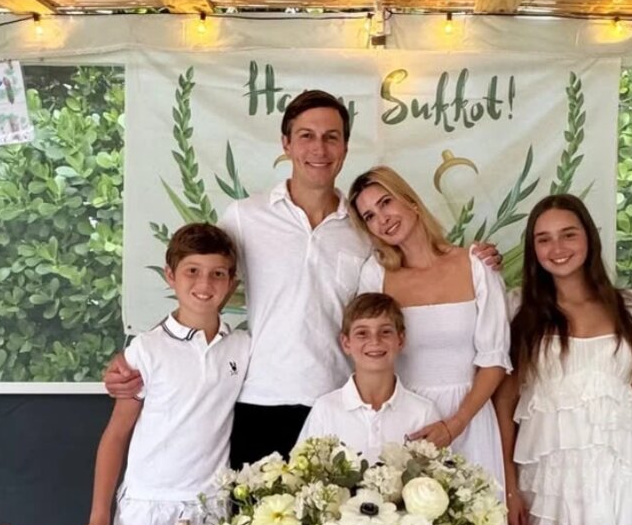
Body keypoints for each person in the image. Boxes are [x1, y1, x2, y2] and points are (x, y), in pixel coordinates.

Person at [104, 91, 502, 469]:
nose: (319, 149)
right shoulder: (244, 216)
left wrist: (475, 259)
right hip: (259, 401)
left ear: (345, 148)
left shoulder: (363, 230)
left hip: (339, 407)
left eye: (331, 137)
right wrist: (144, 352)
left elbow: (405, 276)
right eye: (306, 136)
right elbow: (202, 295)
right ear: (286, 144)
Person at [493, 194, 632, 525]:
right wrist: (510, 489)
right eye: (543, 239)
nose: (557, 248)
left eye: (568, 234)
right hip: (552, 483)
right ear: (533, 249)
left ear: (589, 237)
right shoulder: (520, 310)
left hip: (622, 477)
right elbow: (503, 403)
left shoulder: (631, 309)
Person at [72, 224, 248, 525]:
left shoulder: (243, 348)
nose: (205, 283)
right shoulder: (145, 350)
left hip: (209, 509)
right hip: (147, 507)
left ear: (231, 283)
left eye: (218, 274)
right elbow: (116, 435)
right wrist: (98, 519)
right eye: (192, 271)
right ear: (170, 276)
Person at [349, 166, 511, 491]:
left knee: (477, 516)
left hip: (470, 418)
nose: (382, 219)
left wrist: (455, 425)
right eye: (369, 216)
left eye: (385, 202)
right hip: (405, 422)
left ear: (410, 200)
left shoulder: (476, 265)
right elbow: (369, 354)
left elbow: (494, 360)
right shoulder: (375, 275)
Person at [297, 292, 440, 462]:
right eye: (362, 333)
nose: (375, 341)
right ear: (346, 343)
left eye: (385, 332)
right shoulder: (325, 410)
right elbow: (303, 472)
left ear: (400, 340)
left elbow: (439, 473)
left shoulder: (423, 412)